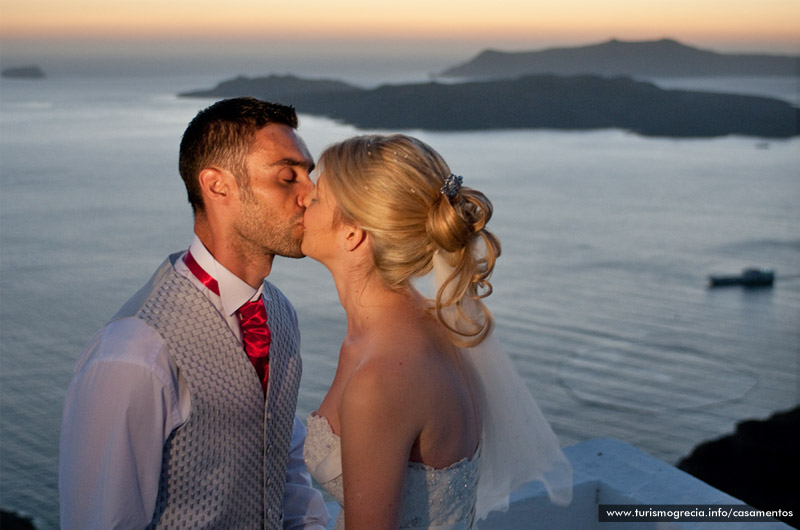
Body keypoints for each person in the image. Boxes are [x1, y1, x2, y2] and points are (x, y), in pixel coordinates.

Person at [59, 97, 330, 530]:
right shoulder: (135, 351)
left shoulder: (278, 313)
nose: (311, 194)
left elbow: (285, 470)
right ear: (217, 186)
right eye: (287, 177)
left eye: (308, 174)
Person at [301, 134, 573, 530]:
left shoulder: (381, 380)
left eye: (317, 199)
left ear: (353, 234)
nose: (302, 202)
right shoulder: (438, 327)